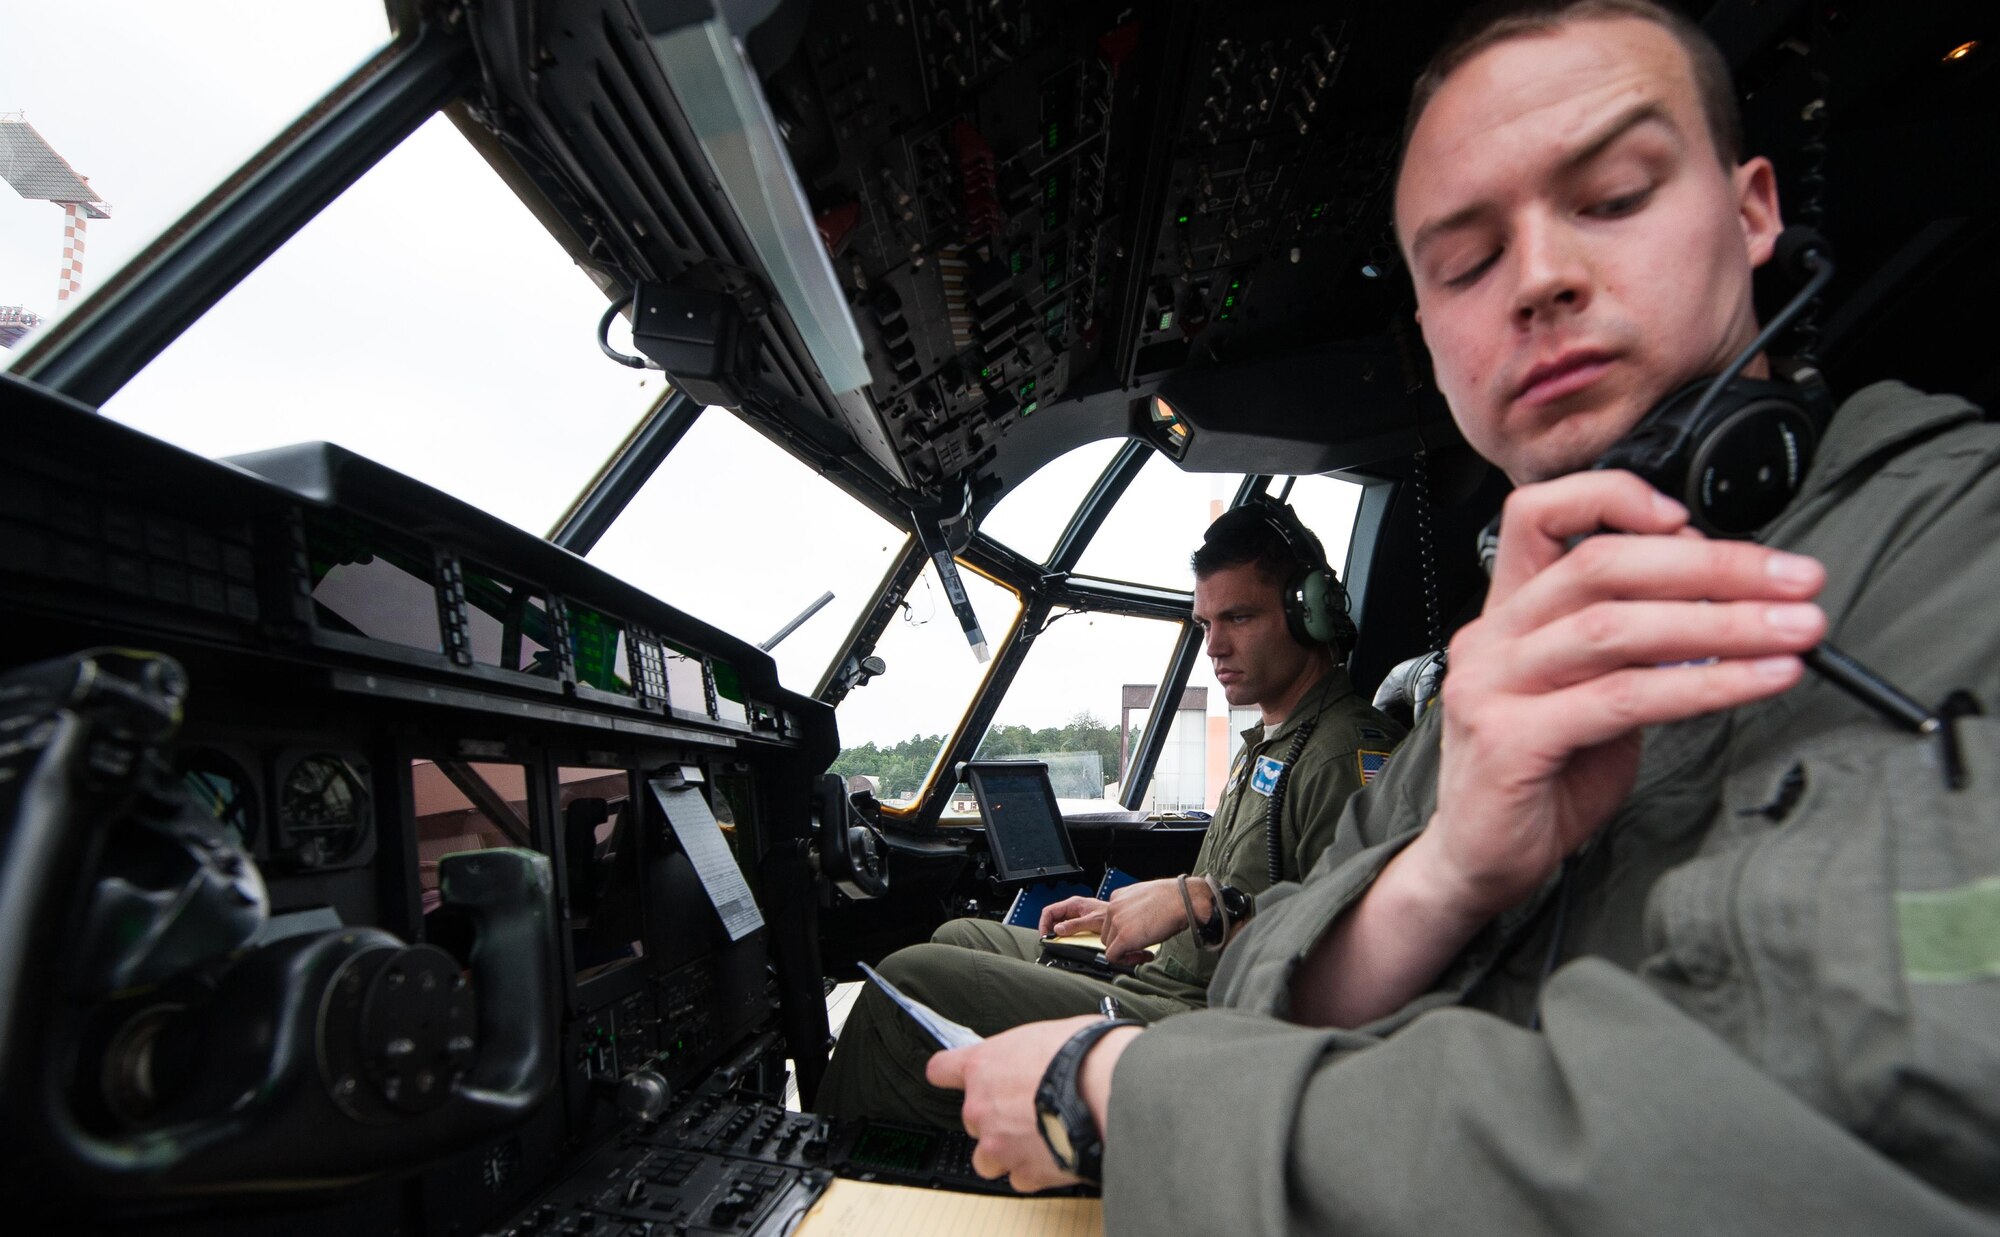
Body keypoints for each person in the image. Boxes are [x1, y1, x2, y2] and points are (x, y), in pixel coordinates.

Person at [925, 2, 2000, 1232]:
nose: (1538, 277)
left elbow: (1837, 1149)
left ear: (1753, 210)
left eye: (1612, 196)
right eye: (1464, 262)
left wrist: (1122, 1090)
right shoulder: (1495, 670)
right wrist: (1439, 874)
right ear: (1434, 341)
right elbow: (1267, 980)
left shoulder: (1960, 551)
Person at [813, 499, 1406, 1131]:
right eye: (1205, 622)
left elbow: (1362, 961)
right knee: (959, 937)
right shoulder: (1274, 740)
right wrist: (1128, 918)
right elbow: (1240, 893)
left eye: (1239, 616)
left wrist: (1198, 906)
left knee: (910, 983)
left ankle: (820, 1179)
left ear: (1309, 615)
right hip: (1166, 978)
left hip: (1211, 1024)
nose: (1215, 646)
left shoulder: (1345, 757)